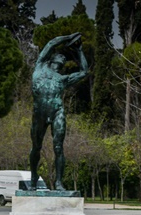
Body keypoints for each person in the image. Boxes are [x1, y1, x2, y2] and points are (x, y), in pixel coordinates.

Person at [30, 32, 89, 192]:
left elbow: (84, 72)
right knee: (36, 147)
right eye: (60, 55)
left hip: (57, 112)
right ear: (52, 59)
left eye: (64, 57)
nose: (63, 57)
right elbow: (51, 43)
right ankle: (34, 178)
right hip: (39, 114)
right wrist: (68, 38)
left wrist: (79, 50)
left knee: (58, 147)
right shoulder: (40, 66)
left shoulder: (62, 79)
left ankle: (58, 182)